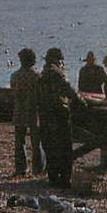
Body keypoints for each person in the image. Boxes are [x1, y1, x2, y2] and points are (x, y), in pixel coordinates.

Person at [37, 48, 86, 188]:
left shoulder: (41, 74)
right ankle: (65, 179)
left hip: (45, 115)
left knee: (50, 147)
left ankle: (53, 178)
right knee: (64, 147)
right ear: (58, 60)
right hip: (59, 115)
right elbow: (70, 91)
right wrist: (83, 103)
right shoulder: (57, 73)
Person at [10, 48, 43, 177]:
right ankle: (38, 168)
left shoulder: (15, 76)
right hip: (34, 111)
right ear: (33, 61)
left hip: (20, 110)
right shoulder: (37, 77)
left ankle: (20, 169)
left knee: (19, 141)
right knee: (36, 142)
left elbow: (14, 92)